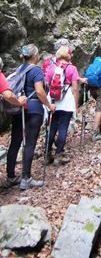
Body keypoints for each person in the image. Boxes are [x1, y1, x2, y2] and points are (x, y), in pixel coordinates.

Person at [5, 45, 55, 190]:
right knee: (30, 142)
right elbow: (39, 91)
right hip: (33, 109)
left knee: (15, 142)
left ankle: (11, 176)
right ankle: (26, 178)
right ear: (35, 55)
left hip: (19, 108)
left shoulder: (19, 69)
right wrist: (48, 105)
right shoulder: (36, 70)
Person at [45, 46, 81, 165]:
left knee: (53, 126)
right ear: (68, 55)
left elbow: (46, 84)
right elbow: (75, 88)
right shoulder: (72, 68)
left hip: (53, 101)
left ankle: (47, 153)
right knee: (63, 127)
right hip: (67, 100)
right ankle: (59, 155)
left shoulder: (51, 68)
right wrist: (76, 105)